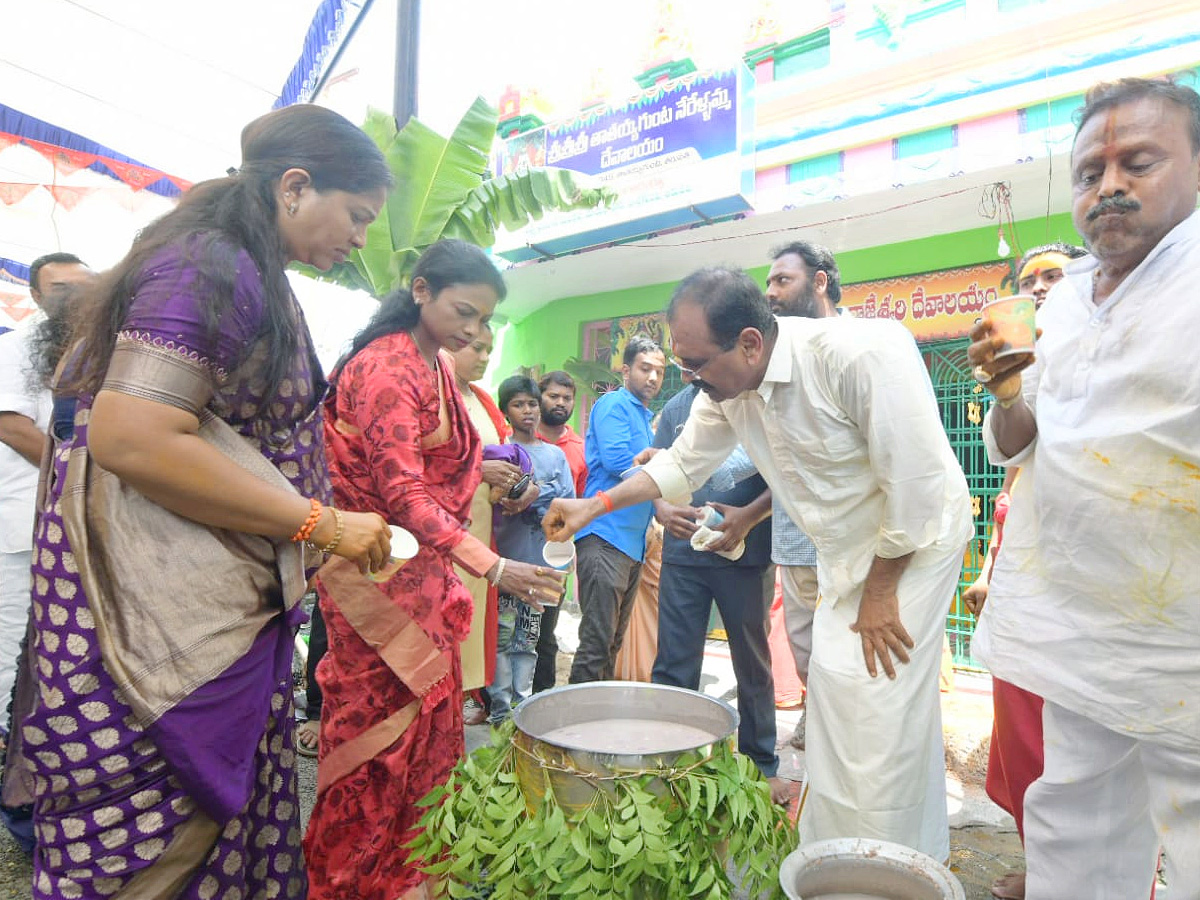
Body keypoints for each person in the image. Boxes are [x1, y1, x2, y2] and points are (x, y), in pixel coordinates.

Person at [3, 104, 395, 900]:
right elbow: (136, 436)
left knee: (224, 825)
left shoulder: (242, 265)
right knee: (154, 838)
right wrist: (318, 522)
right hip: (151, 628)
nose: (359, 239)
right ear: (294, 187)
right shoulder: (208, 264)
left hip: (204, 611)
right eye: (356, 216)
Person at [545, 267, 971, 861]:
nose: (687, 378)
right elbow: (682, 464)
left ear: (749, 342)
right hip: (848, 555)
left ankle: (878, 866)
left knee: (875, 704)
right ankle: (856, 852)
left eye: (696, 364)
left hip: (913, 548)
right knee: (839, 696)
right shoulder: (726, 391)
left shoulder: (863, 352)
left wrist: (878, 594)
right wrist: (595, 504)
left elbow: (916, 487)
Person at [968, 77, 1200, 899]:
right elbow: (1021, 444)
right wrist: (1005, 392)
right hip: (1080, 624)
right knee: (1075, 819)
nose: (1109, 186)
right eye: (1088, 173)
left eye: (1138, 161)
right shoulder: (1061, 303)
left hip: (1185, 639)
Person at [303, 240, 564, 900]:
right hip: (374, 583)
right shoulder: (389, 369)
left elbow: (439, 464)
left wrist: (486, 471)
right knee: (377, 745)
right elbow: (404, 493)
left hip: (422, 582)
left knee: (429, 738)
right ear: (421, 291)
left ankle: (415, 875)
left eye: (485, 322)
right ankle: (353, 883)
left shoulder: (434, 364)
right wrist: (492, 565)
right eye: (464, 313)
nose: (473, 332)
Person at [961, 240, 1085, 900]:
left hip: (1109, 593)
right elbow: (1015, 454)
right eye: (1028, 278)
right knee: (1028, 747)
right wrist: (1008, 390)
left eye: (1053, 275)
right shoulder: (1027, 361)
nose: (1038, 286)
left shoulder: (1113, 338)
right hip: (1035, 593)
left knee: (1089, 760)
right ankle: (1043, 872)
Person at [649, 368, 784, 795]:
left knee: (752, 661)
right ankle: (670, 762)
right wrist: (659, 508)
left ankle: (761, 764)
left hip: (747, 553)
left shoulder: (755, 399)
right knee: (674, 661)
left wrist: (747, 519)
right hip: (683, 555)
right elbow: (657, 466)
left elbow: (785, 473)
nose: (691, 364)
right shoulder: (675, 408)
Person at [0, 253, 91, 714]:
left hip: (75, 524)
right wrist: (74, 481)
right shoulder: (17, 346)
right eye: (61, 290)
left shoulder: (100, 347)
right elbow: (10, 425)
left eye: (84, 286)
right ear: (36, 297)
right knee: (9, 638)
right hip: (23, 521)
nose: (76, 298)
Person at [763, 240, 841, 750]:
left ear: (819, 282)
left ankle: (845, 727)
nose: (770, 292)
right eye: (768, 283)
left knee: (852, 641)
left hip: (852, 537)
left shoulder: (860, 345)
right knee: (804, 639)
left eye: (782, 281)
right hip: (794, 534)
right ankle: (818, 713)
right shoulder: (775, 358)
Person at [567, 336, 665, 684]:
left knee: (613, 643)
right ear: (625, 370)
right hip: (605, 535)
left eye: (659, 371)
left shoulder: (642, 415)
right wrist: (664, 487)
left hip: (632, 542)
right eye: (645, 369)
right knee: (596, 644)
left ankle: (597, 723)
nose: (653, 377)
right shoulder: (613, 404)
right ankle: (573, 730)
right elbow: (617, 459)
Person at [487, 375, 574, 722]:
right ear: (505, 411)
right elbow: (493, 498)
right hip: (506, 566)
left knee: (530, 641)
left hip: (542, 563)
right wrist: (529, 493)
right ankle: (498, 712)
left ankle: (522, 710)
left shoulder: (554, 455)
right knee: (502, 639)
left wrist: (534, 492)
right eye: (518, 404)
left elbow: (567, 497)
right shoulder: (498, 453)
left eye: (532, 403)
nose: (528, 411)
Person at [451, 325, 521, 726]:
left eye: (489, 350)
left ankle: (453, 726)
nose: (484, 357)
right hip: (440, 538)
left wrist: (515, 489)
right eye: (475, 346)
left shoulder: (481, 400)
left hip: (480, 536)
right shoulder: (430, 392)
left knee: (472, 635)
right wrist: (480, 469)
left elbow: (504, 458)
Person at [533, 369, 587, 692]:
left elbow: (580, 500)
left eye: (567, 398)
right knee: (506, 626)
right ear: (540, 397)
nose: (560, 403)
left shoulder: (580, 447)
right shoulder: (519, 439)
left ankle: (542, 696)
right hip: (514, 546)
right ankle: (492, 703)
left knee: (546, 628)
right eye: (553, 396)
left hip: (557, 552)